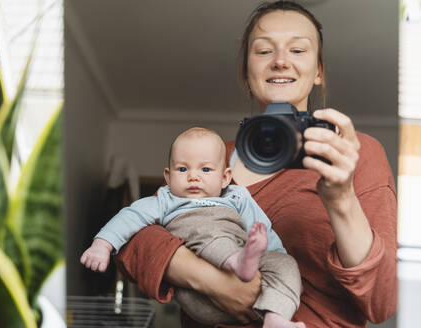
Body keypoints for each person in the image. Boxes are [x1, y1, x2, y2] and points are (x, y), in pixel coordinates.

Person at [114, 1, 398, 327]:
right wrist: (212, 282)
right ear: (247, 74)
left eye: (297, 50)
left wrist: (341, 199)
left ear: (318, 71)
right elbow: (132, 241)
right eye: (263, 52)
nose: (280, 61)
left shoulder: (351, 153)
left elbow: (382, 301)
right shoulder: (211, 156)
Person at [81, 127, 305, 328]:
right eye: (182, 169)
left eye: (206, 170)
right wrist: (102, 244)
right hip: (202, 301)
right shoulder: (165, 200)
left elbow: (261, 230)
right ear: (168, 177)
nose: (194, 176)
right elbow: (130, 217)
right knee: (207, 230)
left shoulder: (237, 197)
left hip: (250, 293)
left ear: (225, 177)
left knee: (286, 264)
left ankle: (275, 317)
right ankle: (236, 261)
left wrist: (270, 266)